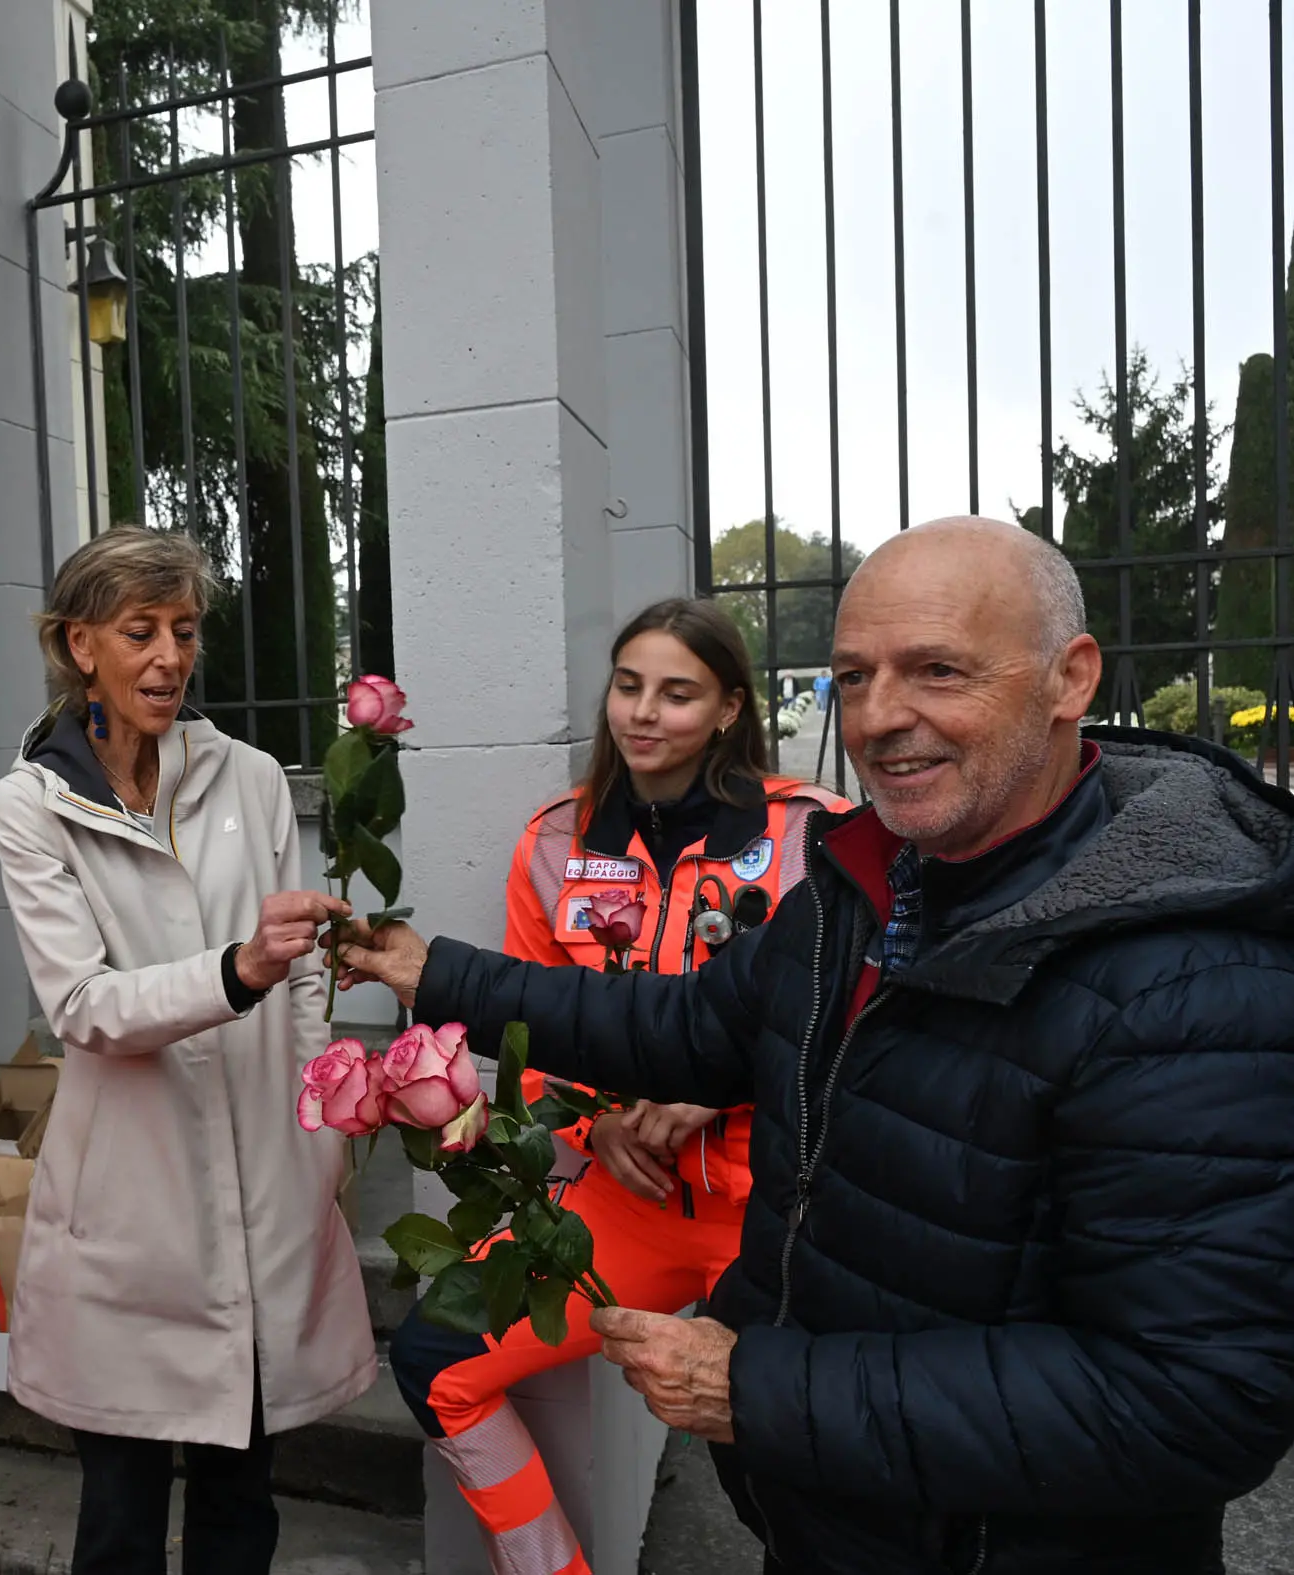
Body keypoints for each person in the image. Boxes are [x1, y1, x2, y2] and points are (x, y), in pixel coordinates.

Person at [336, 518, 1294, 1574]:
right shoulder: (861, 887)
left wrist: (754, 1391)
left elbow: (1193, 1403)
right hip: (827, 1522)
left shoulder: (1191, 977)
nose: (881, 716)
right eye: (852, 676)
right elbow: (685, 1026)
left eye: (936, 670)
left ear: (1069, 679)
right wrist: (435, 974)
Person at [388, 598, 846, 1575]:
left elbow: (849, 1021)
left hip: (775, 1213)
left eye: (676, 694)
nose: (642, 713)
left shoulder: (816, 836)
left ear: (727, 710)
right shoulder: (553, 842)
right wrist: (594, 1128)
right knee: (434, 1361)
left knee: (798, 1470)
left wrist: (713, 1083)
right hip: (625, 1200)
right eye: (628, 686)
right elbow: (527, 1026)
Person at [0, 525, 377, 1575]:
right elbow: (82, 1004)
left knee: (241, 1497)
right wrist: (232, 971)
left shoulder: (247, 779)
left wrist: (317, 1126)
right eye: (139, 631)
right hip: (129, 1199)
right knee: (118, 1507)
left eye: (184, 630)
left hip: (263, 1183)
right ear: (80, 646)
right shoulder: (32, 806)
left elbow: (303, 969)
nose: (169, 657)